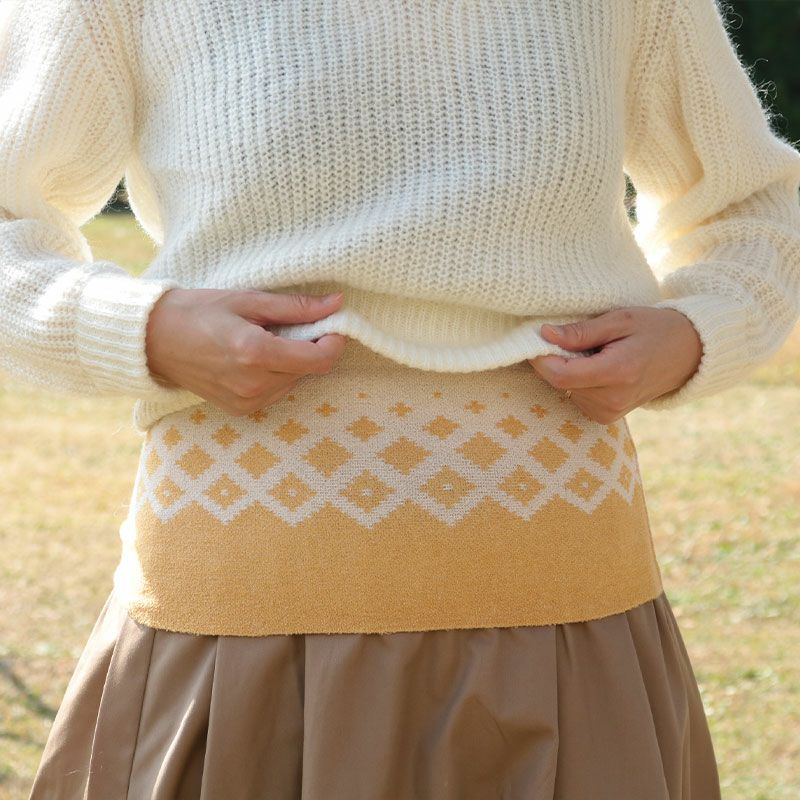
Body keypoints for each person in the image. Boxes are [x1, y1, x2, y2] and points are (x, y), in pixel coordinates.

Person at [2, 0, 798, 797]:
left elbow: (753, 206)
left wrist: (697, 331)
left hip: (567, 610)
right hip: (239, 617)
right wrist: (147, 329)